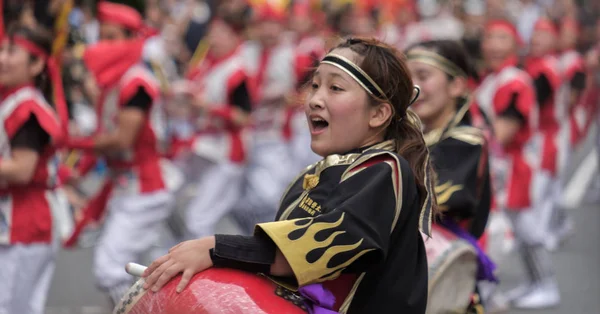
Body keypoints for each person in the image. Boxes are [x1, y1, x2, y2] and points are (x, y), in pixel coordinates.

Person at [141, 37, 436, 314]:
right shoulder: (321, 172)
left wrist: (216, 248)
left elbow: (311, 249)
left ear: (378, 114)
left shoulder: (384, 170)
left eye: (335, 88)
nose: (314, 100)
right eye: (315, 85)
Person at [64, 2, 177, 304]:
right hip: (129, 189)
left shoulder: (137, 82)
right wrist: (78, 168)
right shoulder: (114, 82)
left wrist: (72, 143)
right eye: (102, 37)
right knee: (151, 271)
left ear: (132, 40)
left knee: (109, 270)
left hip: (145, 190)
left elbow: (121, 140)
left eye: (113, 38)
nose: (104, 46)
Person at [475, 19, 560, 309]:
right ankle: (533, 283)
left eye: (502, 38)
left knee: (524, 230)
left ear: (515, 45)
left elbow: (501, 133)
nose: (494, 45)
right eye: (490, 37)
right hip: (502, 166)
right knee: (517, 231)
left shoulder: (513, 80)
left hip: (515, 167)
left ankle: (545, 285)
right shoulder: (493, 77)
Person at [406, 39, 494, 312]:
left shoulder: (466, 143)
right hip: (411, 277)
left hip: (440, 281)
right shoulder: (416, 137)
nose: (413, 87)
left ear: (456, 85)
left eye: (423, 76)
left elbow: (442, 201)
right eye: (406, 77)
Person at [0, 24, 69, 314]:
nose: (2, 57)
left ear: (37, 63)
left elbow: (21, 170)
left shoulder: (27, 108)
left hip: (25, 226)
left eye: (11, 51)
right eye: (2, 49)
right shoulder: (13, 100)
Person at [179, 17, 253, 239]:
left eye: (221, 33)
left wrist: (209, 108)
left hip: (227, 152)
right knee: (174, 195)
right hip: (203, 145)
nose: (214, 39)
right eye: (212, 33)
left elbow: (244, 118)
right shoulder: (206, 62)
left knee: (198, 219)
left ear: (234, 38)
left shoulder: (237, 71)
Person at [524, 17, 563, 252]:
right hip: (540, 137)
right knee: (544, 197)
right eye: (535, 32)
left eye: (544, 33)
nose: (537, 38)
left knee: (535, 203)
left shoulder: (546, 68)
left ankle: (543, 282)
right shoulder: (536, 63)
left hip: (544, 138)